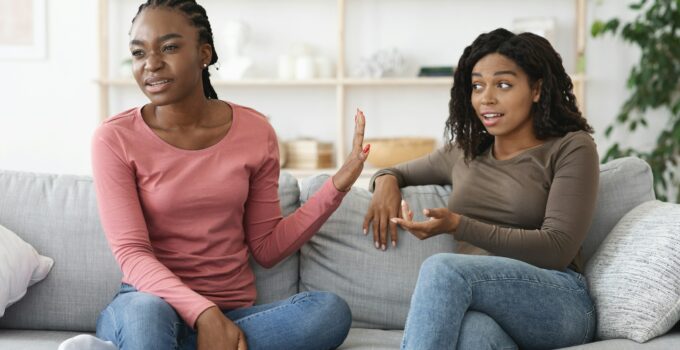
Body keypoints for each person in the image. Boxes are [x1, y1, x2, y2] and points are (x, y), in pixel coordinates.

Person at [90, 1, 370, 349]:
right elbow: (133, 254)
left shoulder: (255, 131)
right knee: (146, 317)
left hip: (232, 313)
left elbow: (266, 247)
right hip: (147, 304)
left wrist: (337, 186)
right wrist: (203, 313)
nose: (151, 64)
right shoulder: (115, 138)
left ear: (204, 53)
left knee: (329, 312)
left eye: (170, 47)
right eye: (138, 52)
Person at [364, 28, 599, 349]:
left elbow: (557, 249)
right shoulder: (464, 151)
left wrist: (460, 226)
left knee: (443, 270)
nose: (486, 98)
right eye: (477, 86)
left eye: (503, 84)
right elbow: (392, 170)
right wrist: (385, 184)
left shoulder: (572, 148)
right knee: (474, 333)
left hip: (558, 300)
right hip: (485, 307)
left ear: (537, 89)